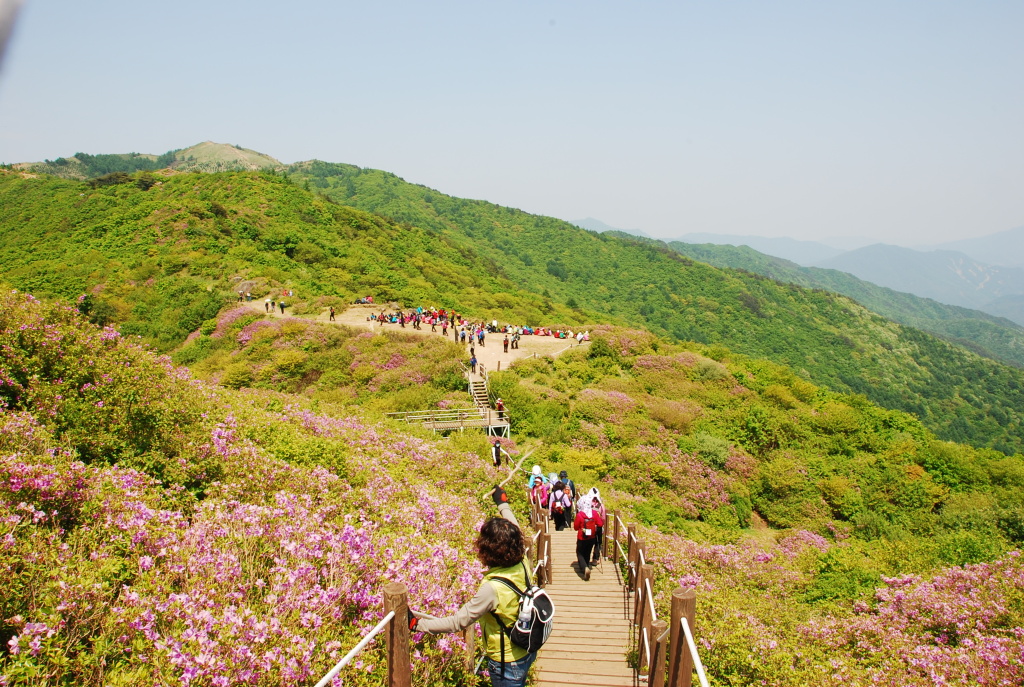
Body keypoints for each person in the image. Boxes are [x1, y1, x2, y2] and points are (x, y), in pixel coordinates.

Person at [410, 487, 537, 686]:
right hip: (528, 649)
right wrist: (502, 503)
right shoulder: (522, 563)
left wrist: (418, 624)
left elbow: (458, 622)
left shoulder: (492, 588)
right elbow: (515, 528)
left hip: (506, 662)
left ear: (485, 548)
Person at [573, 493, 604, 581]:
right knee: (587, 552)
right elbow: (600, 524)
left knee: (579, 553)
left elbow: (575, 527)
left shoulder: (580, 515)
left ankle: (585, 568)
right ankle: (586, 566)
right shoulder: (594, 513)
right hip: (592, 537)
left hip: (582, 537)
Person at [577, 488, 607, 566]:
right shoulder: (601, 505)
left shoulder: (587, 503)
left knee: (586, 542)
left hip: (586, 528)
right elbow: (603, 518)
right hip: (597, 527)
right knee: (598, 543)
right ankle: (595, 559)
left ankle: (584, 560)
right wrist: (600, 526)